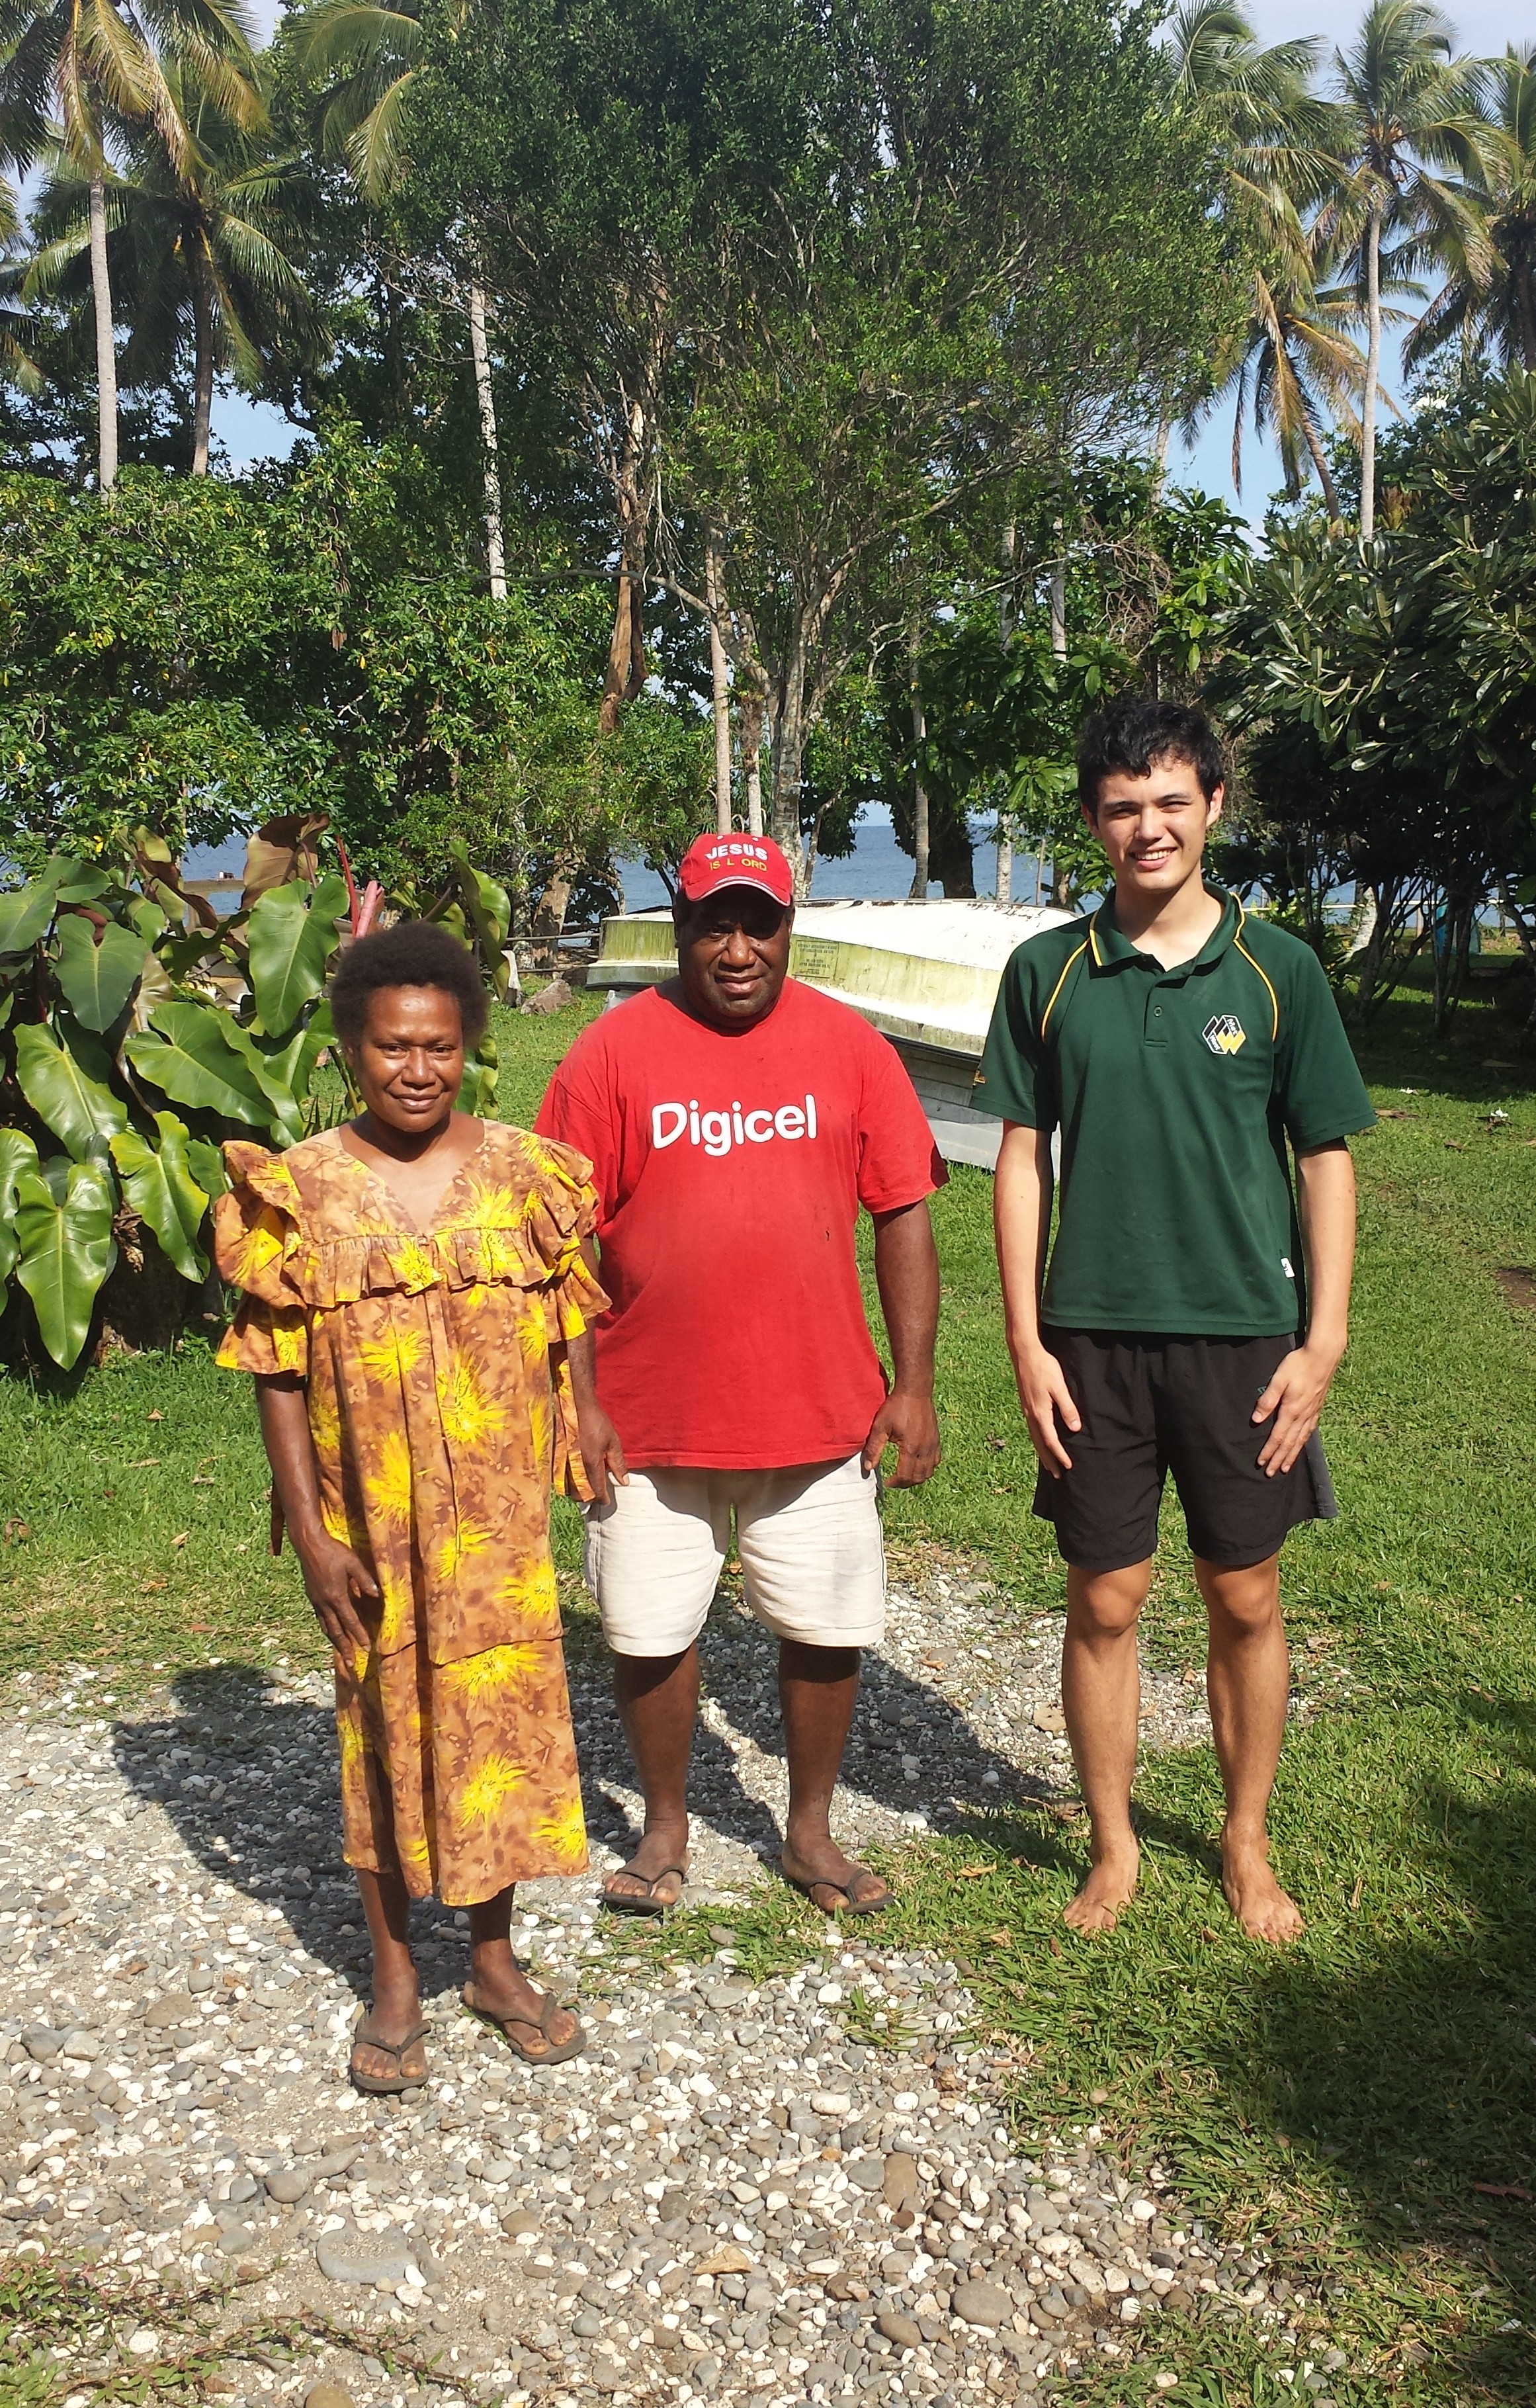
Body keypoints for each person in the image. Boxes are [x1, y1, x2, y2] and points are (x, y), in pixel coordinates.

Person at [975, 696, 1375, 1944]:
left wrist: (1323, 1338)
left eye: (1167, 801)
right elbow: (1020, 1158)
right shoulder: (1048, 972)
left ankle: (1245, 1844)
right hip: (1090, 1336)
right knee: (1103, 1598)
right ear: (1093, 822)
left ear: (1211, 806)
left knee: (1243, 1593)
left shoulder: (1277, 971)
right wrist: (1027, 1339)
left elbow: (1324, 1156)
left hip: (1244, 1334)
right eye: (1118, 806)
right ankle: (1112, 1846)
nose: (1145, 827)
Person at [213, 920, 608, 2090]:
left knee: (500, 1726)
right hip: (369, 1512)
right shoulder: (301, 1191)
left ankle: (491, 1960)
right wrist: (311, 1532)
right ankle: (393, 1976)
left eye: (438, 1046)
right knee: (382, 1728)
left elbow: (563, 1306)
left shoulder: (526, 1172)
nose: (417, 1069)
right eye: (392, 1048)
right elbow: (275, 1370)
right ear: (351, 1051)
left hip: (495, 1518)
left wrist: (584, 1410)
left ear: (471, 1045)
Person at [537, 830, 947, 1917]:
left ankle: (808, 1833)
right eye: (711, 923)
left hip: (818, 1412)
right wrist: (575, 1401)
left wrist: (912, 1385)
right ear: (677, 925)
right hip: (647, 1415)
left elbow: (901, 1210)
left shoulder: (851, 1049)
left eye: (755, 923)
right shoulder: (611, 1054)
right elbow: (559, 1242)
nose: (734, 949)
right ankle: (664, 1832)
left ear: (788, 926)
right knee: (645, 1628)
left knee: (824, 1624)